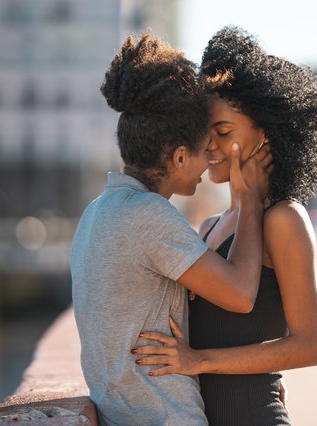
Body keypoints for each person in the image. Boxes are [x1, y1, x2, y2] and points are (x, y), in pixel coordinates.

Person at [132, 27, 317, 425]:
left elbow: (309, 346)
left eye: (224, 132)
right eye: (203, 134)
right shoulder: (211, 224)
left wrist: (199, 361)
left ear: (263, 133)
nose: (208, 146)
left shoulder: (283, 219)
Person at [70, 33, 272, 425]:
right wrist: (250, 200)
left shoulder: (96, 212)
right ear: (180, 157)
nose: (210, 158)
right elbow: (242, 294)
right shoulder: (147, 216)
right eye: (203, 150)